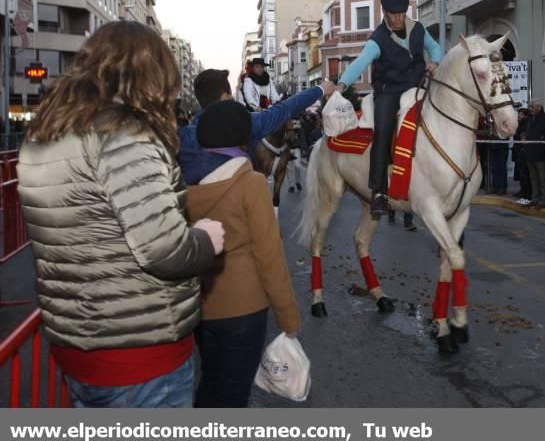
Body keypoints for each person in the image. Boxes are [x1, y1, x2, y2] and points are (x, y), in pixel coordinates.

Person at [16, 21, 226, 408]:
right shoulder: (124, 136)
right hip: (140, 351)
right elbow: (162, 250)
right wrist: (205, 240)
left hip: (77, 347)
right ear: (150, 76)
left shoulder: (44, 137)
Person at [188, 100, 300, 408]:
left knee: (211, 382)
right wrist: (288, 316)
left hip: (199, 307)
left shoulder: (185, 181)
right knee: (232, 395)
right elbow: (269, 255)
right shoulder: (250, 183)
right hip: (243, 310)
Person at [335, 0, 443, 215]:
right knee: (383, 131)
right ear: (384, 12)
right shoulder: (378, 38)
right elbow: (361, 62)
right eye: (393, 14)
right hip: (389, 91)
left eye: (401, 13)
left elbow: (436, 48)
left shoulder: (418, 29)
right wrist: (342, 85)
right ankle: (379, 191)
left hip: (417, 86)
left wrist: (435, 61)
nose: (397, 18)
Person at [179, 69, 334, 185]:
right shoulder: (245, 123)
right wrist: (320, 89)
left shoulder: (183, 137)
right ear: (226, 97)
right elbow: (285, 109)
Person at [524, 98, 545, 208]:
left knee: (542, 178)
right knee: (533, 177)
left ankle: (543, 200)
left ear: (539, 107)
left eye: (532, 107)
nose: (530, 109)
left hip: (540, 153)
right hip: (530, 152)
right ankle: (535, 198)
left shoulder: (544, 119)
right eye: (530, 107)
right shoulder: (530, 118)